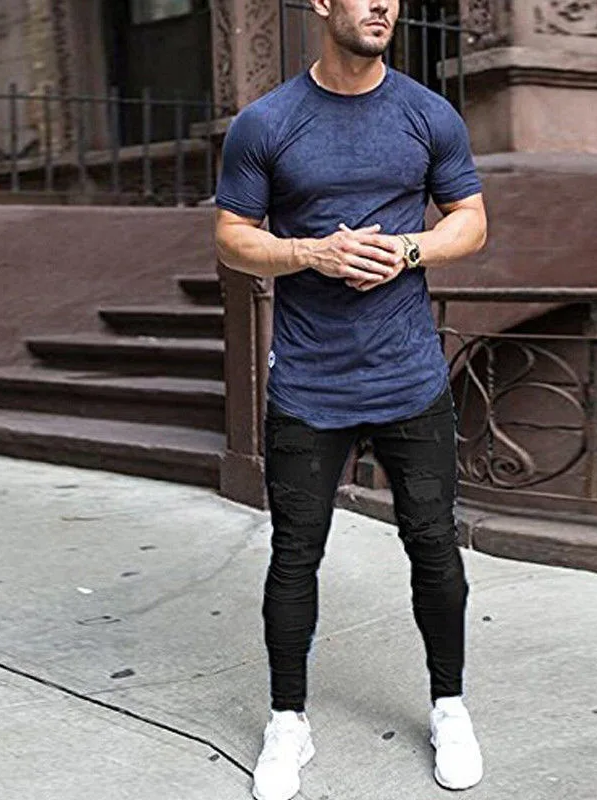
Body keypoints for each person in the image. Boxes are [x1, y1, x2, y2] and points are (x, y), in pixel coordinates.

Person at [215, 1, 487, 797]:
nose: (383, 5)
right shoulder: (267, 123)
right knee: (295, 555)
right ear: (322, 2)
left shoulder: (427, 114)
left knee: (433, 546)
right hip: (309, 382)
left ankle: (449, 707)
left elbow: (470, 222)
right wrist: (312, 253)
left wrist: (407, 248)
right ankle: (287, 723)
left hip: (410, 379)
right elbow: (232, 236)